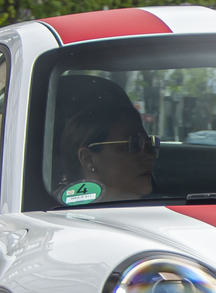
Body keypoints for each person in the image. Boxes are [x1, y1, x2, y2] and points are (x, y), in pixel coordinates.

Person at [52, 76, 155, 204]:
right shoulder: (56, 217)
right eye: (133, 145)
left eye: (150, 145)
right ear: (88, 158)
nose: (150, 156)